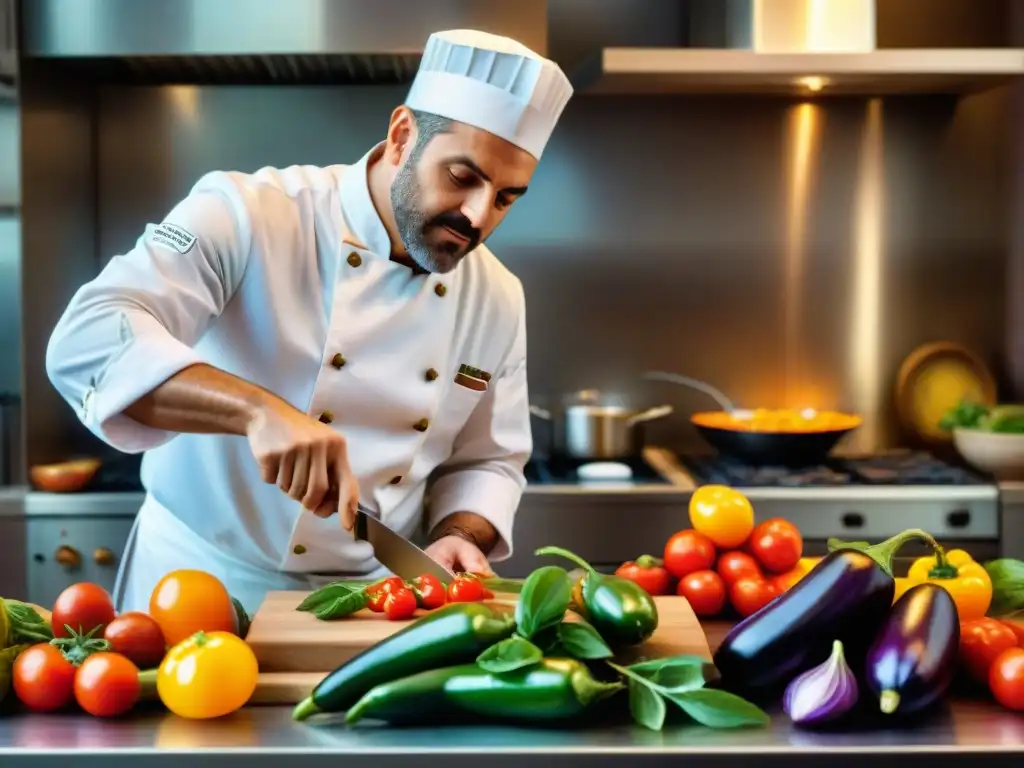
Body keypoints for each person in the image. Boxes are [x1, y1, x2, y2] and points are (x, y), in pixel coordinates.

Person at [44, 29, 574, 615]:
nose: (478, 216)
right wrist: (257, 411)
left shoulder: (496, 296)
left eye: (505, 198)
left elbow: (488, 460)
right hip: (192, 593)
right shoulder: (249, 213)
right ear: (402, 137)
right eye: (463, 176)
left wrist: (459, 534)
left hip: (367, 605)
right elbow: (89, 338)